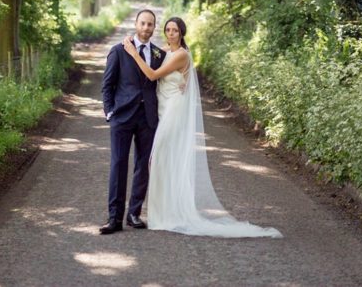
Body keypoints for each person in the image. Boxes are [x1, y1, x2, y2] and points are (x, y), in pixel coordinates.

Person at [120, 17, 282, 238]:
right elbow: (158, 68)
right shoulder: (164, 51)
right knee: (162, 160)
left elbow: (153, 74)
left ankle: (171, 213)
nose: (170, 33)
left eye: (175, 30)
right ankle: (162, 212)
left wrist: (132, 52)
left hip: (173, 111)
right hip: (161, 107)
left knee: (157, 157)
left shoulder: (182, 55)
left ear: (182, 32)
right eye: (167, 30)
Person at [99, 8, 165, 234]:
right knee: (118, 164)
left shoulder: (158, 54)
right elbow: (107, 86)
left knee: (143, 166)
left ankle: (134, 214)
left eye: (150, 24)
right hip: (122, 116)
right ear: (136, 25)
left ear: (154, 28)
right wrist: (109, 112)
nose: (146, 28)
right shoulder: (118, 50)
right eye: (143, 23)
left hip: (148, 118)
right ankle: (114, 218)